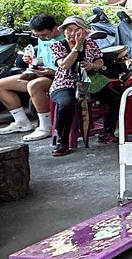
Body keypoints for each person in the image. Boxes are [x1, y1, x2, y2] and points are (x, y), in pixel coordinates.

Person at [49, 16, 122, 156]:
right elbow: (64, 65)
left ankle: (107, 132)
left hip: (89, 81)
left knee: (116, 98)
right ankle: (62, 142)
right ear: (63, 32)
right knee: (66, 103)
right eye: (69, 30)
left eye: (77, 30)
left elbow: (100, 61)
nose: (73, 33)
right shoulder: (57, 46)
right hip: (65, 83)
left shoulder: (91, 44)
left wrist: (92, 65)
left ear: (84, 32)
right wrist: (77, 46)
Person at [0, 14, 61, 141]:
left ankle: (45, 126)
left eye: (44, 35)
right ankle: (21, 122)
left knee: (34, 85)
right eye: (37, 35)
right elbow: (42, 60)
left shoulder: (65, 39)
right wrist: (31, 60)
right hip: (42, 73)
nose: (41, 38)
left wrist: (51, 71)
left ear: (54, 28)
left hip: (58, 76)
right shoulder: (43, 40)